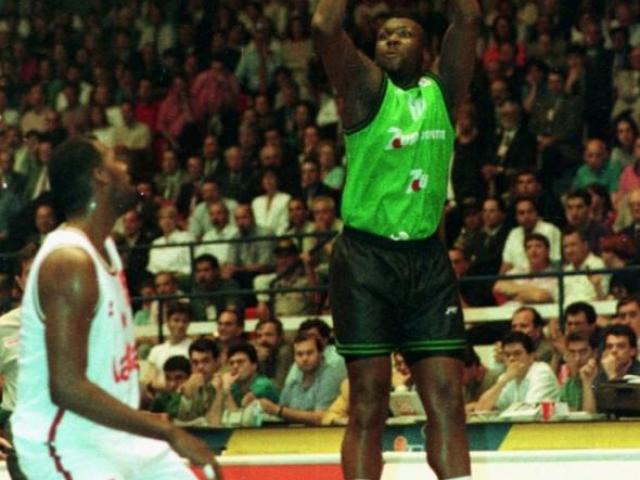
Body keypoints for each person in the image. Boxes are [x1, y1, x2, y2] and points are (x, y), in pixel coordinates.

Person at [312, 1, 480, 478]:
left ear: (427, 50)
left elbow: (468, 18)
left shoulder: (444, 90)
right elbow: (324, 25)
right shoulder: (365, 89)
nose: (389, 38)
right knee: (368, 400)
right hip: (366, 260)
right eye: (384, 34)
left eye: (403, 33)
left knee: (448, 399)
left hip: (427, 260)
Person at [11, 138, 219, 479]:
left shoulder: (106, 246)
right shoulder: (69, 261)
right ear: (100, 175)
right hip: (66, 444)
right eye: (114, 160)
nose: (125, 167)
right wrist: (167, 431)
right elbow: (66, 387)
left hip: (115, 437)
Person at [475, 332, 560, 412]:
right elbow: (480, 410)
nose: (511, 358)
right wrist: (504, 380)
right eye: (507, 355)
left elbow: (529, 411)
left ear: (532, 356)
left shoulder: (542, 372)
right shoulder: (506, 377)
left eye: (517, 353)